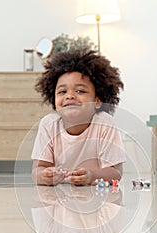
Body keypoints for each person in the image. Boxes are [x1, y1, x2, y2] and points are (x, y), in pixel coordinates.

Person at [31, 49, 126, 186]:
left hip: (96, 198)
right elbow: (37, 170)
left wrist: (91, 176)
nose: (69, 96)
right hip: (59, 199)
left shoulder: (104, 123)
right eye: (62, 91)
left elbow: (116, 173)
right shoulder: (49, 124)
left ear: (98, 101)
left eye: (80, 91)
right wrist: (44, 175)